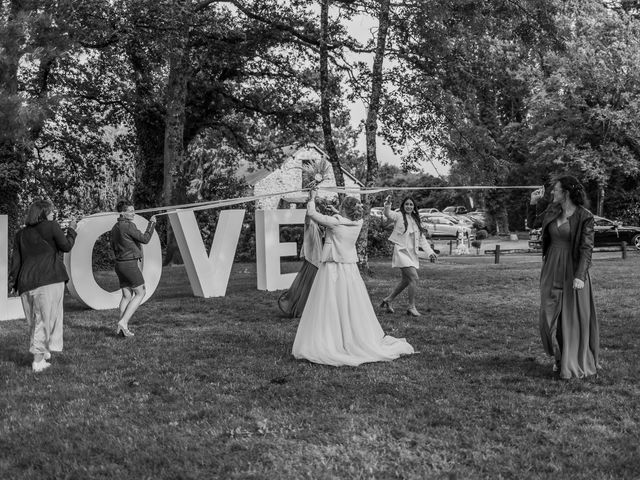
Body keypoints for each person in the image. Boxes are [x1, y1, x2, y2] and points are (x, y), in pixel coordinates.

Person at [292, 189, 414, 366]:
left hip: (332, 267)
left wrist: (311, 198)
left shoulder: (334, 223)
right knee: (350, 302)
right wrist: (336, 211)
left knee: (330, 302)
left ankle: (332, 339)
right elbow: (344, 220)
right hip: (350, 269)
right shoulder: (358, 223)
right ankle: (353, 336)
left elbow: (312, 213)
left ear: (343, 209)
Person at [528, 175, 599, 379]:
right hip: (551, 266)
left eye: (556, 190)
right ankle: (558, 355)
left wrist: (580, 276)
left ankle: (568, 361)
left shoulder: (585, 216)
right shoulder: (552, 210)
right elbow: (534, 223)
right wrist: (533, 204)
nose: (552, 193)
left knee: (570, 319)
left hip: (573, 271)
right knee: (546, 317)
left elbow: (587, 248)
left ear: (566, 193)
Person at [8, 199, 77, 372]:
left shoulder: (20, 234)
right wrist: (72, 230)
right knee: (45, 321)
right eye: (51, 210)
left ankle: (44, 351)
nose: (54, 213)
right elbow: (66, 246)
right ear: (43, 213)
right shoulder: (52, 226)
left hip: (25, 282)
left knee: (35, 321)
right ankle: (38, 362)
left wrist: (13, 283)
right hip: (49, 279)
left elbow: (15, 261)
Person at [380, 195, 437, 317]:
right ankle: (411, 307)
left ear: (414, 207)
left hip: (412, 253)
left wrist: (430, 252)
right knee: (414, 278)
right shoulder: (399, 215)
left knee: (406, 280)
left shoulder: (416, 220)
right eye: (407, 204)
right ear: (403, 206)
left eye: (411, 204)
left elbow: (422, 239)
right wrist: (387, 203)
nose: (409, 206)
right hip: (401, 252)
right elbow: (387, 214)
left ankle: (388, 299)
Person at [110, 199, 156, 337]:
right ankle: (123, 322)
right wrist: (152, 224)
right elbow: (145, 239)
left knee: (127, 295)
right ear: (122, 213)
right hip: (129, 264)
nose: (133, 213)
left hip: (119, 265)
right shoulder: (128, 225)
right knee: (141, 292)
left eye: (133, 210)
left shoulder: (114, 227)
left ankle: (121, 330)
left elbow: (112, 247)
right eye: (130, 211)